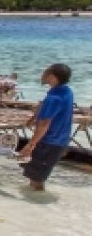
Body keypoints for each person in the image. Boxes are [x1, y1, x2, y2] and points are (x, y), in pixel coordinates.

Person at [19, 63, 74, 191]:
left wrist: (30, 145)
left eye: (46, 72)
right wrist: (34, 117)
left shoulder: (54, 98)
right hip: (60, 140)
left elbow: (44, 124)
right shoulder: (66, 91)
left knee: (36, 179)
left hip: (49, 142)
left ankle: (36, 203)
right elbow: (44, 104)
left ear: (53, 77)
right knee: (36, 174)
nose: (43, 75)